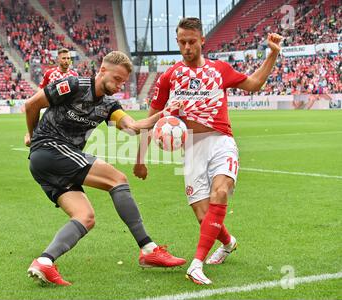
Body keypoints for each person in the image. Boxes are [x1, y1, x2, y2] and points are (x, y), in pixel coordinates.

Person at [133, 17, 282, 285]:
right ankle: (227, 242)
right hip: (191, 149)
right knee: (205, 218)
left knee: (221, 192)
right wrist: (140, 160)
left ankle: (196, 264)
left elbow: (253, 84)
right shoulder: (169, 76)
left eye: (192, 41)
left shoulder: (219, 69)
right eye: (182, 42)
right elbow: (151, 118)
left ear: (202, 41)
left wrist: (272, 54)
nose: (187, 47)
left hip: (221, 141)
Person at [24, 51, 186, 286]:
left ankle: (44, 262)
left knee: (85, 217)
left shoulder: (109, 105)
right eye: (117, 79)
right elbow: (32, 104)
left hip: (51, 162)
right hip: (50, 149)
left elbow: (133, 127)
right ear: (102, 70)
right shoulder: (72, 85)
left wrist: (165, 113)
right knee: (117, 179)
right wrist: (33, 133)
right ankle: (148, 249)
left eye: (123, 82)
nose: (120, 85)